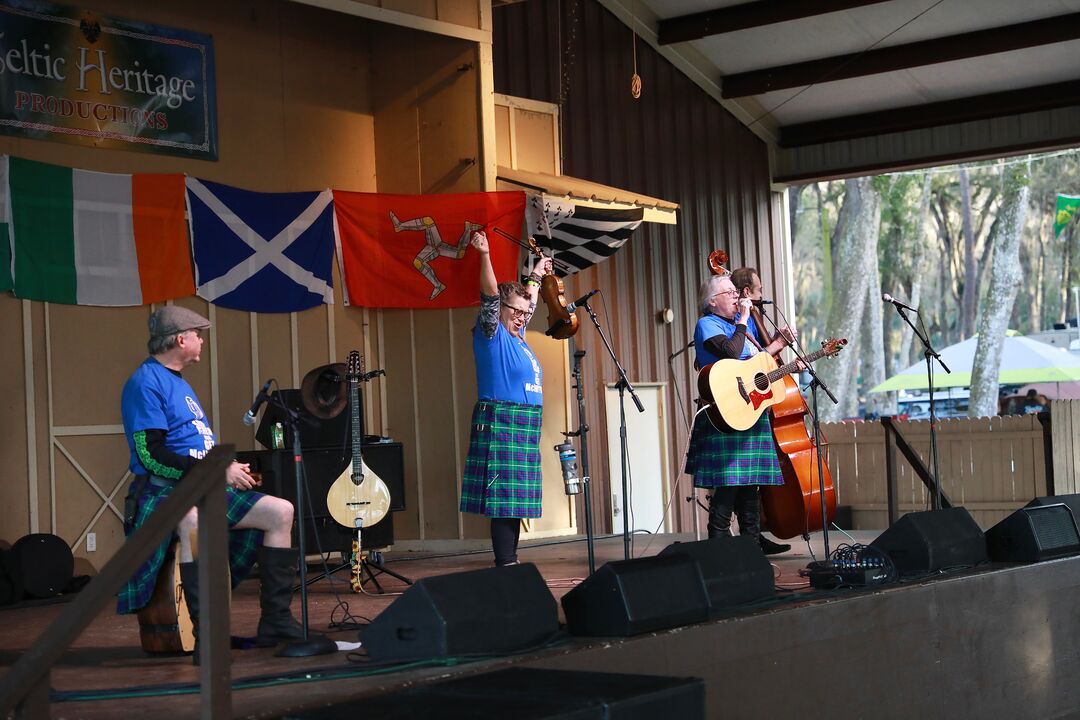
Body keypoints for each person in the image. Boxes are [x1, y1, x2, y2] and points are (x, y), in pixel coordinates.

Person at [117, 306, 304, 662]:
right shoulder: (146, 382)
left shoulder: (180, 383)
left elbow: (194, 446)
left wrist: (228, 467)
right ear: (180, 339)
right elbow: (150, 455)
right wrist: (217, 471)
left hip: (204, 484)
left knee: (280, 512)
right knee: (193, 522)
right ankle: (209, 636)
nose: (202, 340)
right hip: (163, 492)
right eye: (197, 334)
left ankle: (276, 622)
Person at [460, 231, 552, 566]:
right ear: (503, 309)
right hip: (501, 421)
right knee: (503, 501)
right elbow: (490, 295)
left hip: (523, 426)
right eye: (517, 312)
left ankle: (510, 562)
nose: (523, 317)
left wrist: (537, 275)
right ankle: (506, 566)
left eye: (526, 314)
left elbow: (529, 299)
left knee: (513, 504)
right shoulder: (492, 332)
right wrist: (485, 255)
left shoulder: (518, 334)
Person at [686, 273, 796, 545]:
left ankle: (752, 545)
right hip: (724, 413)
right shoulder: (707, 324)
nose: (737, 296)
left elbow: (751, 367)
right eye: (729, 293)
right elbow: (731, 354)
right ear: (712, 302)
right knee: (729, 482)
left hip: (750, 409)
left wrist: (777, 346)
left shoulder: (739, 326)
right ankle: (719, 545)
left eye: (736, 292)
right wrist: (744, 320)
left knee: (750, 485)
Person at [730, 266, 791, 555]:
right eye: (760, 289)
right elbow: (746, 361)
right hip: (743, 403)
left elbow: (762, 363)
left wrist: (782, 363)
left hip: (760, 401)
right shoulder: (733, 322)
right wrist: (778, 344)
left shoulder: (753, 320)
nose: (763, 294)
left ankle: (753, 538)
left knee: (753, 480)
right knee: (738, 481)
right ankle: (736, 542)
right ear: (747, 292)